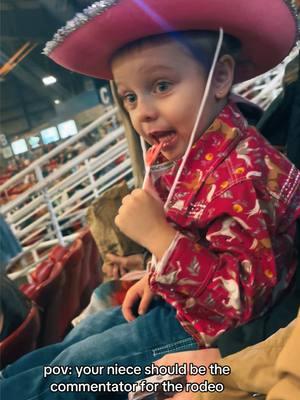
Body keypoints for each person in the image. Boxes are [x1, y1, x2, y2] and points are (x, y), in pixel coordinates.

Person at [1, 1, 299, 399]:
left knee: (69, 373)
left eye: (161, 86)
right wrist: (156, 275)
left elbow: (241, 303)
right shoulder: (191, 150)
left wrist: (160, 239)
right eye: (130, 97)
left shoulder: (247, 175)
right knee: (80, 336)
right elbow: (201, 240)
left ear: (221, 76)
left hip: (218, 334)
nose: (143, 113)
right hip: (185, 305)